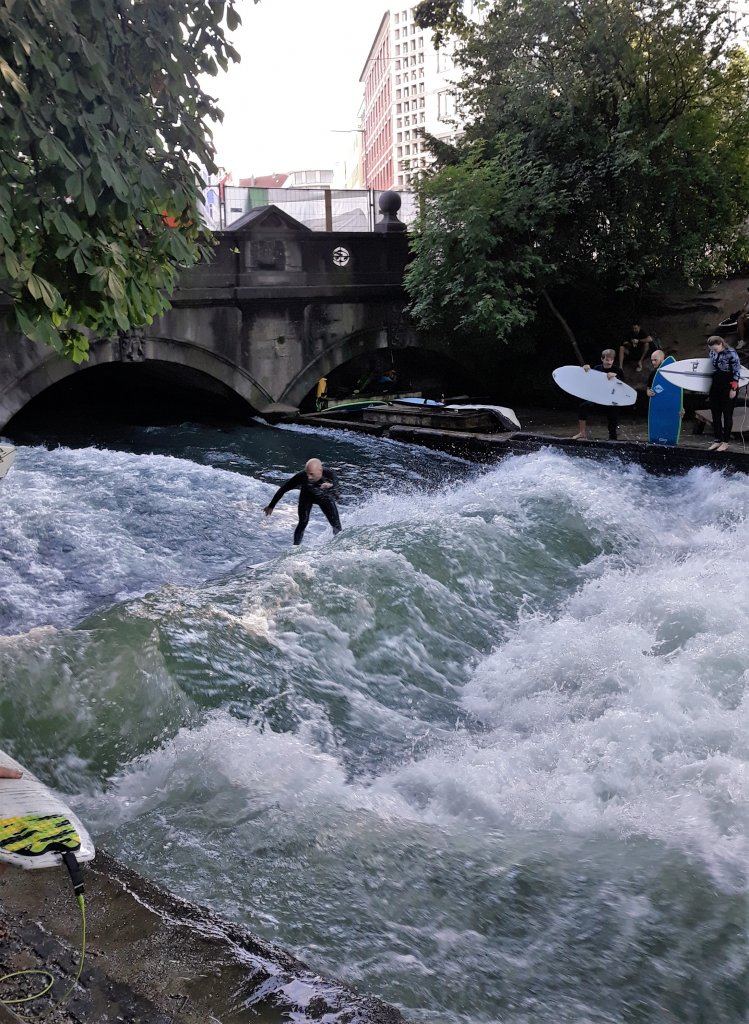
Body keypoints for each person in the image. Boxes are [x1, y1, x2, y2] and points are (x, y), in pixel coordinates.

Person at [263, 458, 341, 545]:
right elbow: (283, 489)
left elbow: (337, 487)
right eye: (307, 474)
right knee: (303, 522)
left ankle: (338, 546)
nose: (309, 477)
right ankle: (295, 547)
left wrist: (330, 486)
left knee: (336, 526)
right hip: (306, 497)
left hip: (325, 499)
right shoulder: (302, 476)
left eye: (311, 474)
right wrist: (271, 506)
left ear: (320, 471)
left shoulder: (329, 474)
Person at [572, 348, 622, 441]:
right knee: (583, 407)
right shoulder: (597, 368)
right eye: (607, 360)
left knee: (612, 424)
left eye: (611, 360)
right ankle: (582, 433)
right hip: (599, 399)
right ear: (602, 359)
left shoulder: (617, 370)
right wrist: (585, 370)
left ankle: (613, 440)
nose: (609, 362)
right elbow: (589, 381)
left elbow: (623, 387)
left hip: (612, 401)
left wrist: (616, 377)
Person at [706, 335, 741, 452]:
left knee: (727, 414)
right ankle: (717, 440)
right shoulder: (712, 352)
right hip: (716, 381)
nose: (714, 351)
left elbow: (737, 370)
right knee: (715, 412)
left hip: (729, 382)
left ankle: (725, 442)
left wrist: (734, 389)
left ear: (721, 344)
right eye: (712, 349)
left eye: (716, 349)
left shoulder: (731, 353)